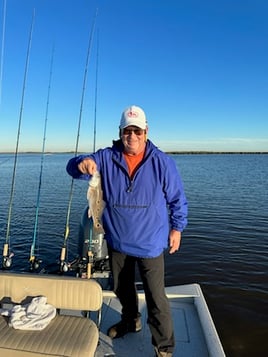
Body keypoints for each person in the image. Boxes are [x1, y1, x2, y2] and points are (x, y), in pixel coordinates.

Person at [66, 105, 188, 357]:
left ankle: (164, 347)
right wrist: (82, 163)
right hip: (118, 239)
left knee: (156, 298)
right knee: (122, 288)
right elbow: (72, 167)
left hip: (151, 242)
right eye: (127, 131)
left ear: (146, 131)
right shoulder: (106, 157)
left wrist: (177, 227)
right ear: (120, 132)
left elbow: (177, 199)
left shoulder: (162, 162)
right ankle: (131, 320)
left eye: (137, 131)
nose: (132, 136)